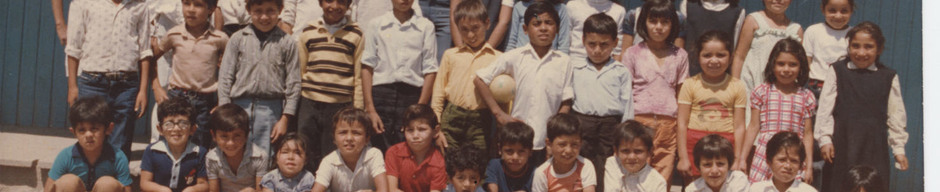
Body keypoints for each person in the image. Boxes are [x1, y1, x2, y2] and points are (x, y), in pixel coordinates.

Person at [815, 21, 909, 192]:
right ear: (848, 46)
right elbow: (825, 109)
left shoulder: (888, 76)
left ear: (879, 49)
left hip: (874, 146)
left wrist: (899, 149)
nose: (861, 52)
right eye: (855, 46)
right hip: (842, 145)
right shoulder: (838, 70)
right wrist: (825, 139)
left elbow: (896, 115)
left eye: (869, 47)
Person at [475, 1, 573, 163]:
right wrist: (499, 114)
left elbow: (566, 103)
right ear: (525, 30)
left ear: (557, 30)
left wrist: (555, 136)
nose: (543, 28)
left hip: (546, 142)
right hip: (516, 143)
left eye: (549, 23)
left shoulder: (564, 61)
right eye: (536, 23)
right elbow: (480, 79)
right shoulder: (514, 56)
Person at [65, 0, 153, 158]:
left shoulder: (139, 6)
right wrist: (72, 86)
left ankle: (115, 179)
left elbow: (144, 51)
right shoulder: (83, 3)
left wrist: (143, 90)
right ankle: (90, 179)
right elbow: (73, 48)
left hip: (126, 85)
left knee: (121, 141)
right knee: (90, 136)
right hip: (92, 82)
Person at [620, 0, 688, 185]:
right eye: (653, 21)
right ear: (644, 23)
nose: (659, 27)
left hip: (668, 124)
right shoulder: (632, 53)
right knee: (636, 172)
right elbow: (625, 93)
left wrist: (680, 126)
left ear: (673, 25)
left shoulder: (680, 55)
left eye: (665, 22)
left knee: (662, 175)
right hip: (639, 122)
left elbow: (682, 95)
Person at [218, 0, 300, 152]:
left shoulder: (287, 42)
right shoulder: (237, 39)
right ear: (249, 9)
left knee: (267, 156)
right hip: (238, 108)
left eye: (270, 11)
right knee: (238, 154)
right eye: (258, 11)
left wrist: (285, 118)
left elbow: (293, 83)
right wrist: (225, 111)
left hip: (271, 110)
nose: (264, 17)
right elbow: (225, 77)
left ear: (280, 9)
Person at [361, 0, 439, 151]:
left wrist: (420, 107)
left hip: (411, 96)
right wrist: (370, 108)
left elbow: (430, 69)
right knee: (378, 147)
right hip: (381, 94)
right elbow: (367, 66)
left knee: (407, 148)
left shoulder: (425, 27)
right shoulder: (376, 24)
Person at [296, 0, 365, 170]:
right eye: (329, 1)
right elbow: (300, 70)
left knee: (332, 152)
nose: (334, 6)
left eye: (341, 2)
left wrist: (357, 107)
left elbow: (358, 75)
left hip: (339, 105)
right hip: (309, 101)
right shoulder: (308, 31)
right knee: (305, 146)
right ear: (320, 3)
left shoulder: (356, 34)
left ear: (349, 5)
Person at [568, 13, 632, 191]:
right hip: (582, 123)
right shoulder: (575, 68)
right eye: (592, 44)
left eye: (604, 45)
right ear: (583, 41)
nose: (597, 50)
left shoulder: (621, 71)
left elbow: (627, 104)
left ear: (615, 43)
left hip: (610, 127)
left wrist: (625, 133)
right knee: (581, 165)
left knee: (606, 167)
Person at [152, 0, 228, 148]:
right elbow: (151, 59)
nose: (191, 10)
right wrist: (156, 86)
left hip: (204, 103)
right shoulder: (174, 34)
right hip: (177, 97)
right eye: (187, 3)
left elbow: (232, 71)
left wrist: (222, 100)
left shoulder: (220, 39)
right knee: (172, 143)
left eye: (198, 5)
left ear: (211, 9)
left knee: (200, 146)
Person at [738, 39, 815, 183]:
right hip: (765, 154)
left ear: (801, 67)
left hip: (792, 156)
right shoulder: (762, 91)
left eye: (793, 65)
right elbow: (753, 127)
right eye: (781, 64)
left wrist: (809, 166)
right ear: (772, 65)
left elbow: (808, 134)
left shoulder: (806, 96)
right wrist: (742, 158)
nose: (786, 69)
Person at [676, 30, 747, 182]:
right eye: (707, 55)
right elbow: (681, 123)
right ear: (698, 57)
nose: (714, 60)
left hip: (725, 146)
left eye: (720, 55)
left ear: (731, 57)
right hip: (694, 145)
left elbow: (740, 126)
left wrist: (737, 158)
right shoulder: (690, 84)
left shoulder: (737, 86)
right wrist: (683, 157)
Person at [431, 0, 501, 154]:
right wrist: (437, 129)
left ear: (487, 23)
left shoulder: (498, 58)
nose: (470, 35)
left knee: (477, 166)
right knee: (448, 164)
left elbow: (503, 100)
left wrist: (500, 132)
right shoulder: (451, 55)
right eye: (464, 29)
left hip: (480, 121)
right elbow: (438, 94)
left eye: (475, 28)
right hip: (451, 118)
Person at [44, 97, 133, 192]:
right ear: (74, 132)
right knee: (67, 182)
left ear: (108, 129)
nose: (88, 135)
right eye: (82, 130)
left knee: (107, 184)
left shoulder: (117, 157)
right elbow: (49, 187)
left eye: (94, 129)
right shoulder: (66, 156)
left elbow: (127, 189)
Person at [731, 0, 802, 92]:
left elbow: (799, 65)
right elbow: (739, 56)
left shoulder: (795, 30)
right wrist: (735, 86)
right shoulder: (753, 20)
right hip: (751, 82)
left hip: (780, 89)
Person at [140, 98, 210, 192]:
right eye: (169, 123)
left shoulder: (199, 153)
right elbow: (145, 183)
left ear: (193, 129)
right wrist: (161, 190)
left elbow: (203, 184)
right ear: (160, 129)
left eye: (183, 123)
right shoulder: (152, 151)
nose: (176, 128)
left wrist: (192, 190)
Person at [312, 107, 389, 192]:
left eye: (356, 133)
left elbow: (384, 190)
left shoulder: (373, 155)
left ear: (367, 138)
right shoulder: (329, 161)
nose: (349, 138)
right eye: (343, 132)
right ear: (334, 138)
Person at [205, 104, 269, 192]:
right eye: (224, 136)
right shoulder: (212, 158)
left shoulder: (259, 157)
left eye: (237, 136)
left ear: (246, 135)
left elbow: (261, 190)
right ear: (214, 135)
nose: (230, 143)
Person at [385, 104, 448, 192]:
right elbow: (391, 189)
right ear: (403, 130)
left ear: (436, 131)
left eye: (422, 129)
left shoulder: (439, 162)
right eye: (410, 130)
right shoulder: (394, 152)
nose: (415, 136)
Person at [531, 113, 597, 192]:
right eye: (562, 145)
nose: (568, 150)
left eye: (574, 144)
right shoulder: (542, 174)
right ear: (549, 144)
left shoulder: (585, 166)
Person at [802, 0, 854, 98]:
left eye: (844, 11)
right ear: (823, 10)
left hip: (843, 85)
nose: (838, 16)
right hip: (817, 85)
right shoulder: (813, 31)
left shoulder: (853, 34)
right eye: (832, 10)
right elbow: (806, 59)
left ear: (851, 11)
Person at [678, 0, 744, 76]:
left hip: (722, 77)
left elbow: (735, 49)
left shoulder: (737, 12)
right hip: (691, 74)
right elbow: (680, 40)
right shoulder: (687, 5)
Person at [603, 120, 667, 192]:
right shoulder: (612, 164)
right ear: (616, 151)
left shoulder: (657, 183)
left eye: (638, 151)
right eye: (625, 151)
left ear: (649, 152)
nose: (631, 157)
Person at [748, 132, 817, 192]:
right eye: (782, 160)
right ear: (769, 162)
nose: (788, 166)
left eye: (794, 161)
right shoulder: (757, 189)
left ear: (800, 166)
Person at [683, 134, 748, 192]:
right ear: (698, 167)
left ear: (729, 165)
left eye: (720, 164)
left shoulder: (738, 180)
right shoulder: (693, 189)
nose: (714, 171)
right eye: (707, 165)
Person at [484, 122, 536, 192]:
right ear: (500, 149)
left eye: (521, 151)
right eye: (509, 151)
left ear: (530, 151)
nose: (515, 157)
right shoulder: (494, 166)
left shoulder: (535, 173)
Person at [505, 0, 570, 53]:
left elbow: (564, 44)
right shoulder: (520, 7)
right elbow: (511, 41)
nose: (543, 28)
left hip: (550, 60)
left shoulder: (561, 9)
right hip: (522, 57)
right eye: (537, 23)